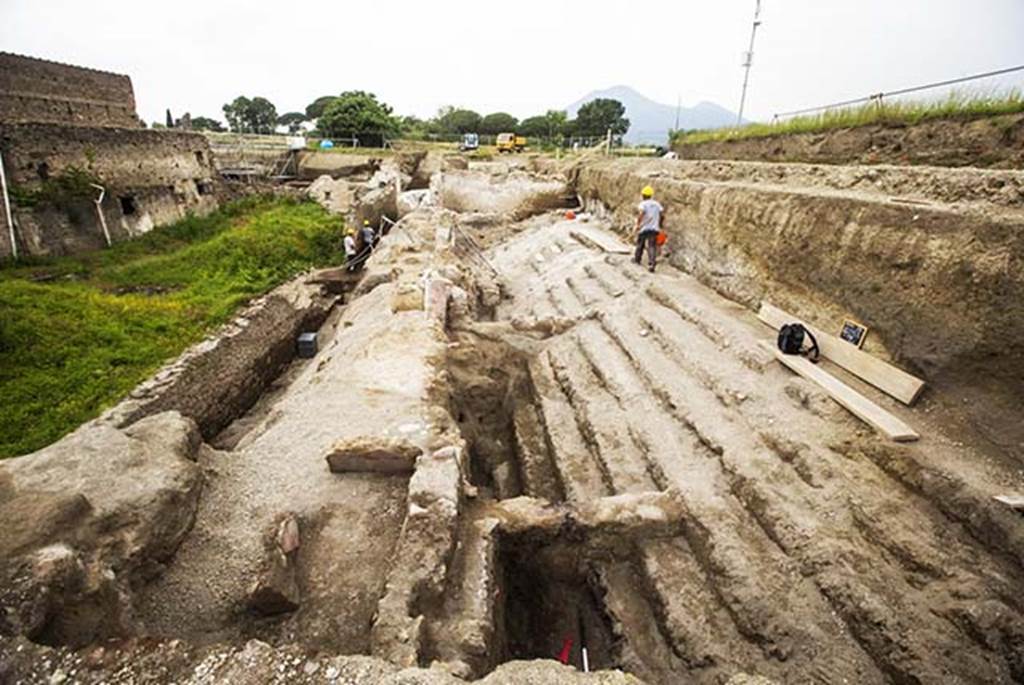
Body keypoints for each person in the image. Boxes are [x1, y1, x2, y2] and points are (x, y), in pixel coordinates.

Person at [633, 185, 664, 272]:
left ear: (643, 195)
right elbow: (662, 215)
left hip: (644, 227)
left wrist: (638, 224)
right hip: (654, 228)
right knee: (652, 246)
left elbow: (641, 214)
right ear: (651, 195)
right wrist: (660, 224)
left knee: (640, 244)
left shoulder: (643, 204)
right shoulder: (657, 204)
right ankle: (652, 263)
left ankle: (637, 259)